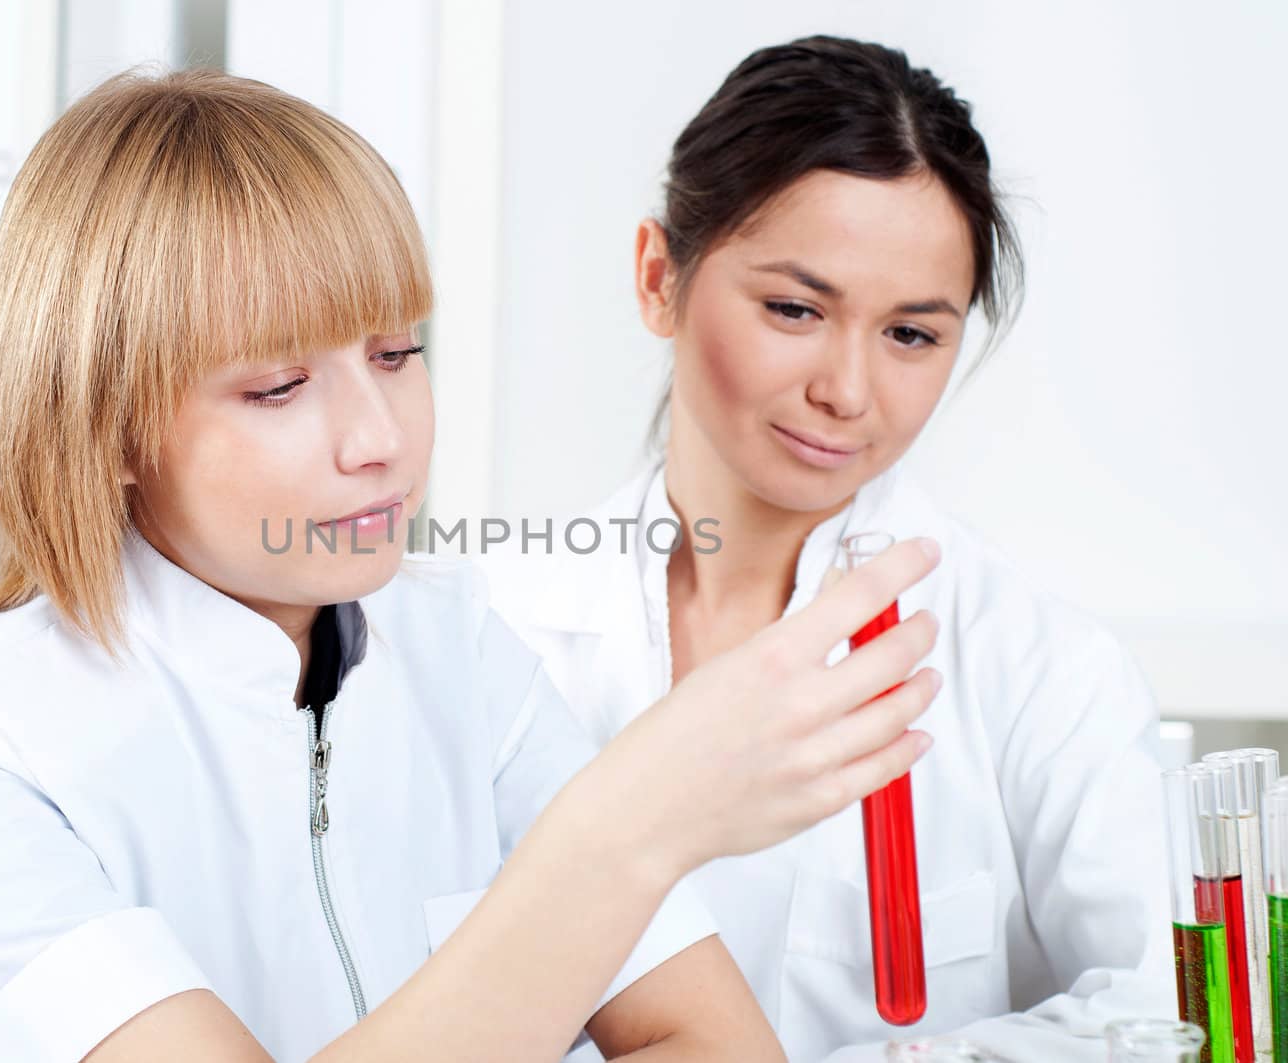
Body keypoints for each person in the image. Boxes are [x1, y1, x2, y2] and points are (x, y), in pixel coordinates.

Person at [0, 68, 943, 1063]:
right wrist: (627, 827)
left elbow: (701, 1037)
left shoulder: (456, 647)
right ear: (105, 422)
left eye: (397, 353)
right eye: (276, 386)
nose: (382, 439)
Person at [482, 36, 1170, 1062]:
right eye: (795, 309)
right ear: (656, 276)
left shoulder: (1036, 668)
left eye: (910, 335)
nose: (847, 391)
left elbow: (1158, 1018)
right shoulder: (491, 632)